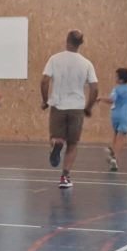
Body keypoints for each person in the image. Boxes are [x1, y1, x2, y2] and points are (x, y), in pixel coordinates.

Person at [41, 30, 99, 189]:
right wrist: (89, 107)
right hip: (77, 108)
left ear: (67, 40)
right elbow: (94, 88)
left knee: (56, 136)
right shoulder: (86, 63)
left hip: (58, 105)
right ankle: (64, 177)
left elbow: (45, 81)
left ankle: (57, 143)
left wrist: (45, 100)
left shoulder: (54, 59)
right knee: (72, 144)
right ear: (81, 44)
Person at [98, 68, 127, 172]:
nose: (115, 78)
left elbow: (112, 100)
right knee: (121, 137)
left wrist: (101, 98)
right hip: (125, 116)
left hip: (115, 114)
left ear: (121, 80)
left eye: (116, 76)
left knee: (115, 134)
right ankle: (115, 157)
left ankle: (112, 151)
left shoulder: (116, 89)